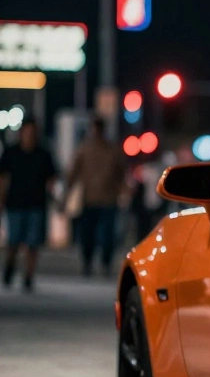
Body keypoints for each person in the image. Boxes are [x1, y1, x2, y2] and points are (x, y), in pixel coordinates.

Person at [65, 117, 128, 277]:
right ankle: (88, 262)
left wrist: (124, 191)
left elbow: (122, 174)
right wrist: (67, 193)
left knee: (107, 235)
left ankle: (105, 263)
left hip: (108, 199)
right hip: (89, 199)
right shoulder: (84, 149)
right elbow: (73, 173)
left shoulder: (112, 150)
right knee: (87, 235)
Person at [0, 119, 58, 292]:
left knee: (33, 243)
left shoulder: (43, 154)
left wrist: (56, 198)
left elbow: (51, 179)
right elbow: (3, 179)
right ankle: (9, 268)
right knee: (14, 241)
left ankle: (28, 276)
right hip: (15, 204)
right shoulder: (11, 153)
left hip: (36, 204)